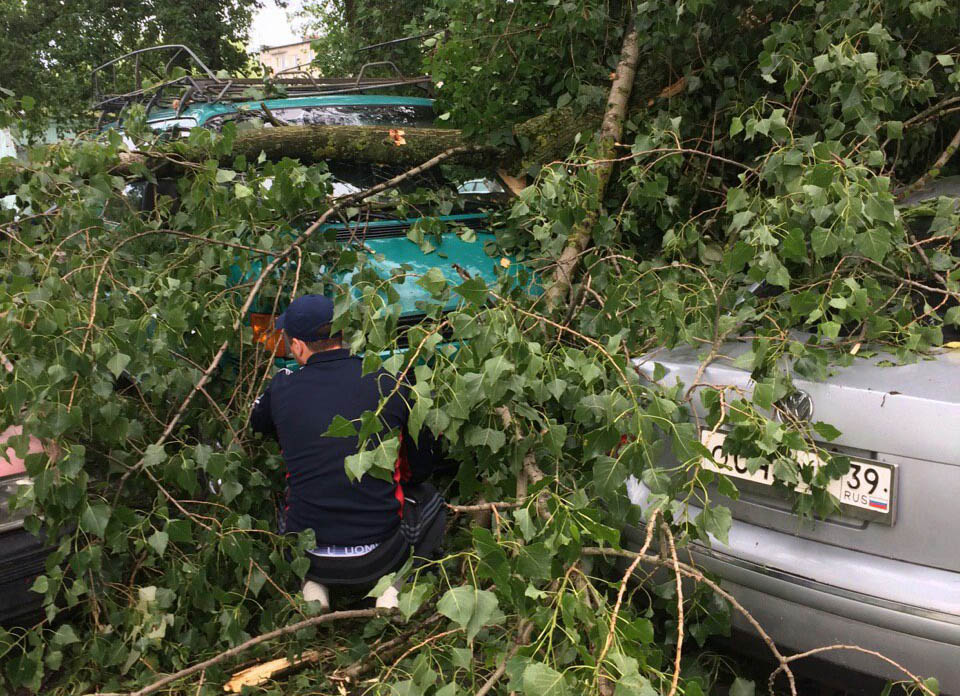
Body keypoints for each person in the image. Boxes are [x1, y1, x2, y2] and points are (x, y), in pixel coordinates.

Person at [249, 294, 444, 610]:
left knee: (286, 502)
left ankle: (313, 586)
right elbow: (420, 468)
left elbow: (258, 425)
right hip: (380, 556)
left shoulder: (281, 390)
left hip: (309, 555)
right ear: (341, 334)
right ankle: (393, 587)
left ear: (297, 346)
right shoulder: (390, 382)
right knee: (430, 498)